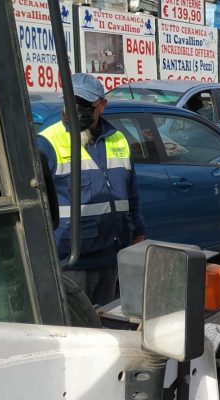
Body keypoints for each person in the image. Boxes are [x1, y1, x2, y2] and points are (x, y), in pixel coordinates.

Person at [37, 73, 146, 306]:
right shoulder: (47, 143)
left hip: (112, 254)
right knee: (77, 330)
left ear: (101, 105)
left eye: (85, 104)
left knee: (108, 324)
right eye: (70, 102)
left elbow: (131, 194)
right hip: (73, 259)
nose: (76, 109)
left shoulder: (118, 139)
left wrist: (138, 231)